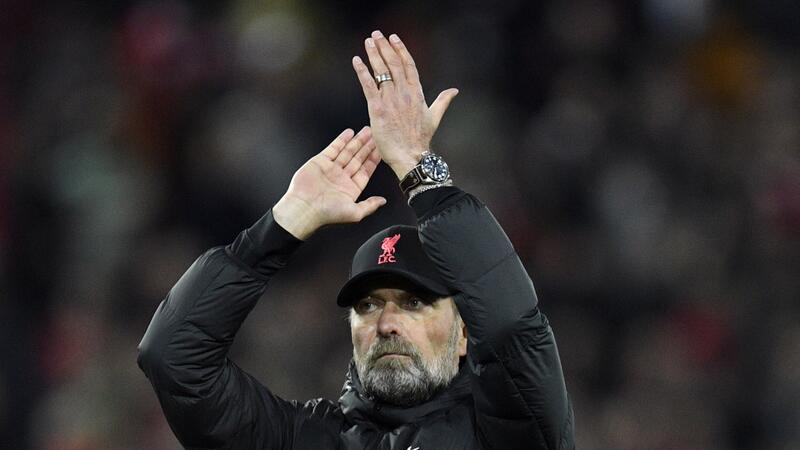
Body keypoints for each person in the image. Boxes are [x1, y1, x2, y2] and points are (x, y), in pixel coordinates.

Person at [138, 30, 575, 449]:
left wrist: (421, 173)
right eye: (367, 306)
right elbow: (174, 361)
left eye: (413, 302)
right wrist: (281, 226)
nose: (386, 324)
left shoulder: (510, 434)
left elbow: (512, 330)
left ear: (464, 335)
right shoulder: (298, 438)